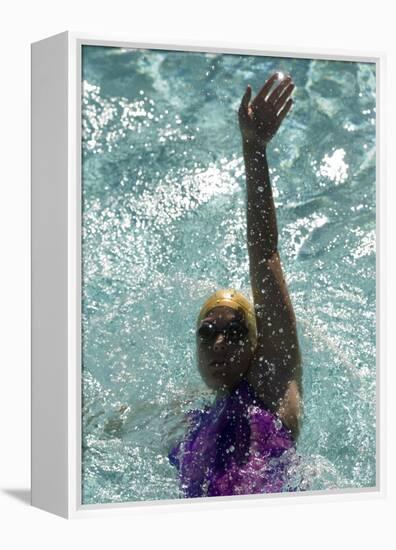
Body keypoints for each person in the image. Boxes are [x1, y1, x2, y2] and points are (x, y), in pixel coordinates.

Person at [169, 72, 303, 498]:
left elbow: (264, 252)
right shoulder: (193, 419)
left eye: (234, 331)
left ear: (255, 341)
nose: (220, 342)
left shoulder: (272, 384)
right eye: (208, 332)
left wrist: (254, 148)